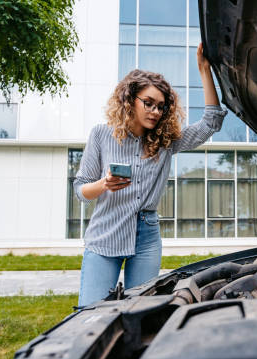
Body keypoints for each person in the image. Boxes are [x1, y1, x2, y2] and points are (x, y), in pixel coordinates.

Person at [74, 43, 226, 306]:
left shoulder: (166, 141)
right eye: (148, 103)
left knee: (140, 311)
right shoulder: (100, 134)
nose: (155, 112)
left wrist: (204, 70)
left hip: (147, 236)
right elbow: (81, 190)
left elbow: (210, 123)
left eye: (161, 107)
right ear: (129, 100)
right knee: (91, 312)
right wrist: (103, 185)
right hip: (105, 233)